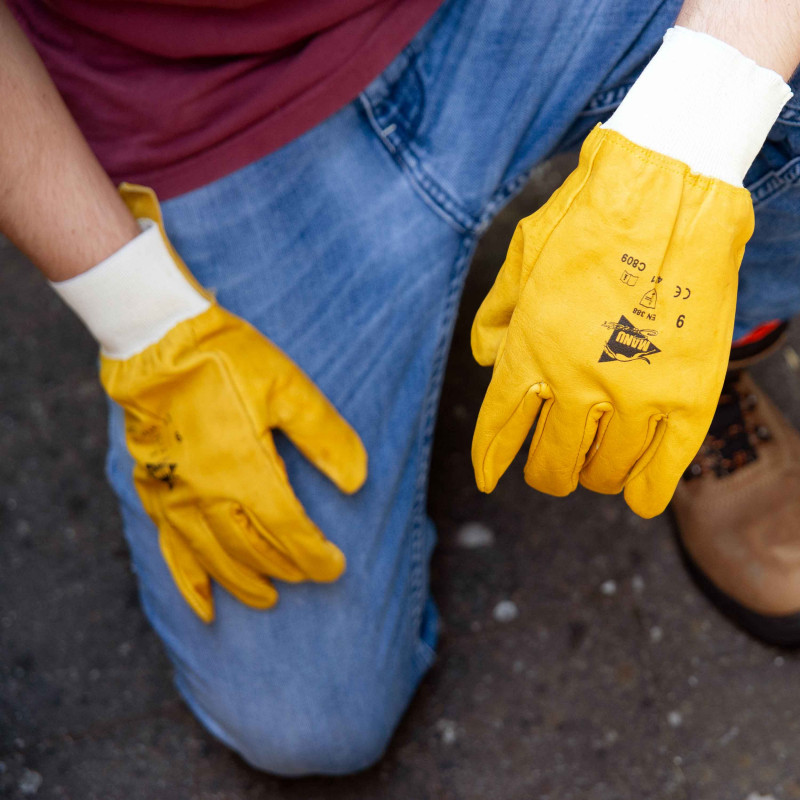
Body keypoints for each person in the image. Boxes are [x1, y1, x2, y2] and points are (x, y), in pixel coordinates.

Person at [2, 0, 799, 777]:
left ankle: (698, 351)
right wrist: (138, 314)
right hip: (199, 113)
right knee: (308, 713)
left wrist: (686, 149)